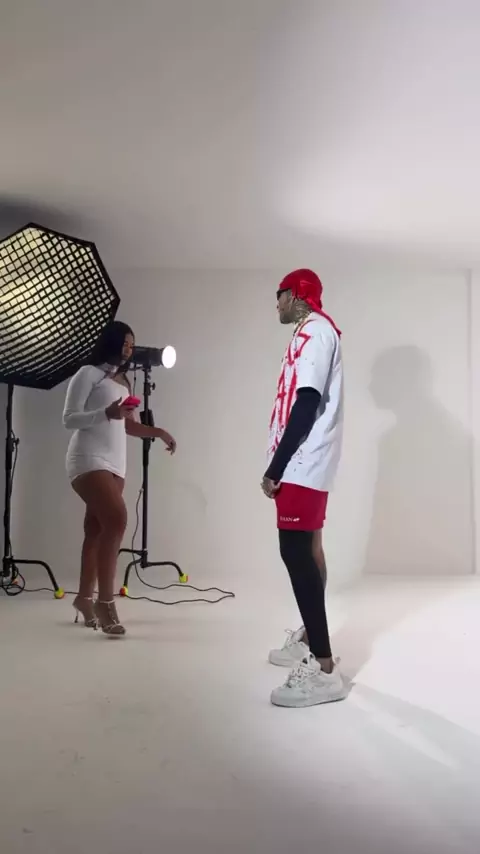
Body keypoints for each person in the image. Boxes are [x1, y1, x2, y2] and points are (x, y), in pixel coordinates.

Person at [262, 269, 346, 707]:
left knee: (294, 552)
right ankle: (313, 638)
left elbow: (308, 400)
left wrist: (276, 466)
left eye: (279, 296)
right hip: (307, 460)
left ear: (296, 294)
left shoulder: (314, 331)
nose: (276, 304)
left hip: (302, 461)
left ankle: (324, 668)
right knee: (308, 548)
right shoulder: (313, 332)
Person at [63, 320, 176, 636]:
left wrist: (159, 432)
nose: (129, 349)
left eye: (132, 344)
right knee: (117, 520)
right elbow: (69, 419)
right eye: (125, 343)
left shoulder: (123, 382)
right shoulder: (87, 374)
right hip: (88, 459)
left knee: (96, 529)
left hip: (116, 464)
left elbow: (128, 426)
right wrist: (105, 414)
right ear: (111, 342)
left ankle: (83, 599)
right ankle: (105, 602)